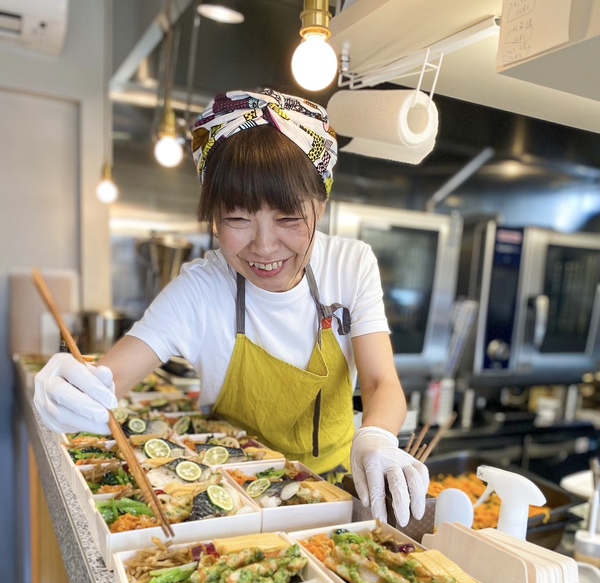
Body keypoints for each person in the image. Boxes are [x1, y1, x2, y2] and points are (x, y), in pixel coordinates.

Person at [33, 88, 429, 526]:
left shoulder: (350, 265)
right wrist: (70, 389)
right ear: (213, 217)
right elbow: (110, 379)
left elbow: (380, 381)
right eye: (237, 219)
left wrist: (375, 439)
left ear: (321, 204)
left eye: (288, 218)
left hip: (337, 490)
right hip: (229, 502)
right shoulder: (201, 289)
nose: (264, 246)